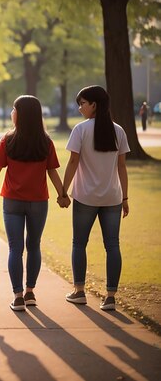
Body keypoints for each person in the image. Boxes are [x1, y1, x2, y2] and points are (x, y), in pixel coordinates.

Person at [0, 95, 67, 312]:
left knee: (15, 248)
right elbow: (52, 171)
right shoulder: (45, 142)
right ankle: (30, 292)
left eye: (13, 109)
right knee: (34, 245)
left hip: (12, 202)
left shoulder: (8, 139)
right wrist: (62, 194)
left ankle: (17, 296)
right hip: (38, 201)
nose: (11, 112)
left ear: (19, 114)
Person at [62, 85, 129, 311]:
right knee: (113, 245)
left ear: (94, 105)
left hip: (85, 197)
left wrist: (63, 191)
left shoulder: (80, 130)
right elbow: (122, 167)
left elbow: (72, 163)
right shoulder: (118, 130)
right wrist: (125, 197)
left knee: (79, 243)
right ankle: (111, 296)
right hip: (112, 197)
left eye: (83, 103)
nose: (80, 107)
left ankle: (79, 291)